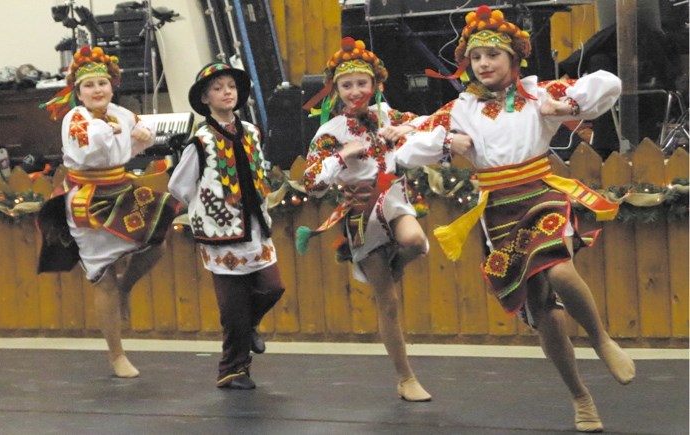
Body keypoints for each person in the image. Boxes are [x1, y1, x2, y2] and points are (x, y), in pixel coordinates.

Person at [396, 6, 635, 431]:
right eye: (475, 57)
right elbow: (409, 147)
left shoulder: (537, 94)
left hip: (541, 195)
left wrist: (564, 102)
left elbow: (609, 84)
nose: (483, 63)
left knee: (559, 270)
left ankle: (601, 340)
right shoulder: (461, 108)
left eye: (493, 54)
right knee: (544, 312)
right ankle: (580, 396)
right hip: (499, 213)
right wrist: (450, 142)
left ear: (514, 58)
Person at [298, 37, 431, 402]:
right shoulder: (330, 131)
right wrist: (342, 156)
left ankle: (397, 264)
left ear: (375, 84)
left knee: (416, 243)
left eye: (362, 83)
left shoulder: (390, 114)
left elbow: (434, 125)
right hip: (360, 215)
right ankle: (405, 377)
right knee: (387, 302)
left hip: (395, 200)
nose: (356, 90)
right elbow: (311, 181)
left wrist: (406, 130)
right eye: (347, 84)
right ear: (336, 90)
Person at [37, 46, 180, 378]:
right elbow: (91, 149)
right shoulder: (76, 118)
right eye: (89, 85)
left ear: (113, 86)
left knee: (158, 240)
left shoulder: (120, 112)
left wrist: (142, 137)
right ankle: (116, 355)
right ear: (78, 92)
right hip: (88, 199)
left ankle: (127, 285)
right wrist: (118, 129)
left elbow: (137, 139)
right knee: (103, 279)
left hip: (121, 188)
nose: (97, 90)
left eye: (103, 83)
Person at [168, 63, 285, 390]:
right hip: (222, 235)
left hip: (256, 227)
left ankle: (250, 328)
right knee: (233, 308)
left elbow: (259, 168)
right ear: (205, 98)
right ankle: (232, 370)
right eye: (218, 88)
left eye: (231, 86)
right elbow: (179, 185)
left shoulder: (250, 131)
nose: (227, 92)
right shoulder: (201, 141)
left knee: (273, 287)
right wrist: (208, 208)